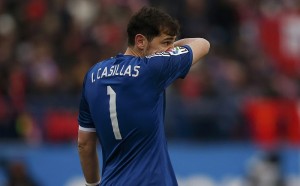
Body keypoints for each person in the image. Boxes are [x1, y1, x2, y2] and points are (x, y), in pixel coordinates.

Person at [77, 6, 210, 186]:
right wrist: (174, 50)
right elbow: (202, 44)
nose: (170, 50)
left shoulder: (92, 76)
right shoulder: (152, 69)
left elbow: (84, 143)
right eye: (166, 43)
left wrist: (92, 185)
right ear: (140, 41)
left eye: (172, 44)